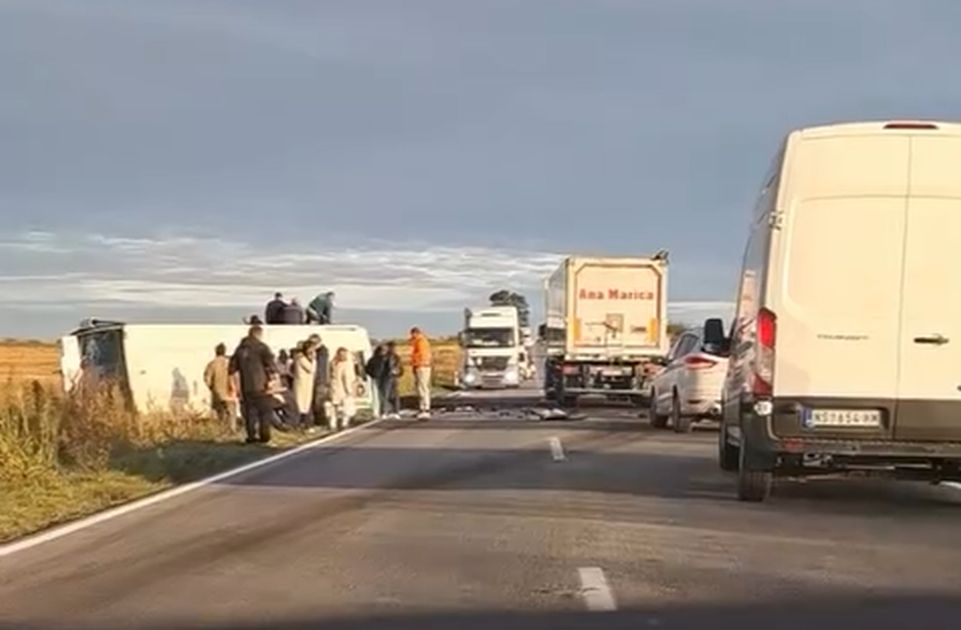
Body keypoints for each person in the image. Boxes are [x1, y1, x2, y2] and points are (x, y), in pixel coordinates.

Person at [229, 325, 277, 443]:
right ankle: (264, 436)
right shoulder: (262, 348)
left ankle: (251, 436)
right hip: (261, 385)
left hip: (246, 386)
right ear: (259, 334)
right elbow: (271, 366)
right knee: (264, 412)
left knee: (250, 413)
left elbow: (232, 369)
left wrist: (236, 387)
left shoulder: (240, 349)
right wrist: (272, 381)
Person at [203, 343, 236, 426]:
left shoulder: (212, 364)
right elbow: (235, 376)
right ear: (225, 351)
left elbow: (207, 379)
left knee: (220, 414)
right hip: (230, 393)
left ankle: (222, 431)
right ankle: (232, 431)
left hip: (217, 393)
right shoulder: (230, 363)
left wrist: (212, 388)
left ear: (216, 352)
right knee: (231, 415)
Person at [329, 347, 356, 431]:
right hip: (343, 388)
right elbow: (347, 378)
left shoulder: (333, 363)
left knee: (334, 407)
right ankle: (344, 423)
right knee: (347, 406)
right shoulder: (346, 364)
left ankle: (332, 423)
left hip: (334, 387)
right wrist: (349, 390)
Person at [292, 340, 316, 430]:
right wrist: (313, 360)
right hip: (302, 384)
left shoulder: (300, 358)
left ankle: (304, 424)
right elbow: (311, 369)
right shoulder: (301, 358)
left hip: (306, 383)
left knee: (305, 404)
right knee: (302, 405)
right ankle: (302, 424)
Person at [409, 327, 432, 419]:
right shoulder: (419, 341)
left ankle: (425, 408)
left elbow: (422, 355)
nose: (411, 337)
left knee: (422, 387)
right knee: (421, 387)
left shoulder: (421, 342)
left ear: (416, 333)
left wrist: (418, 364)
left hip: (422, 366)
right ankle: (423, 407)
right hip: (420, 366)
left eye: (412, 334)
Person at [310, 334, 331, 426]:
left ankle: (321, 421)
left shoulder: (322, 352)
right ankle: (319, 420)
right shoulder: (321, 352)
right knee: (317, 401)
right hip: (319, 379)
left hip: (320, 380)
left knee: (319, 401)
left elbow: (320, 367)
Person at [380, 341, 403, 419]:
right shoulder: (385, 357)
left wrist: (398, 372)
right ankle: (386, 411)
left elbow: (400, 368)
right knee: (386, 395)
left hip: (392, 377)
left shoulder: (396, 357)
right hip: (387, 377)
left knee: (393, 395)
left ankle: (395, 411)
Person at [365, 345, 386, 418]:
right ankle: (382, 411)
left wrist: (372, 375)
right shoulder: (384, 359)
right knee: (382, 395)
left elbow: (367, 369)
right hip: (383, 378)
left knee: (375, 395)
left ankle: (376, 412)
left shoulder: (372, 359)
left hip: (375, 378)